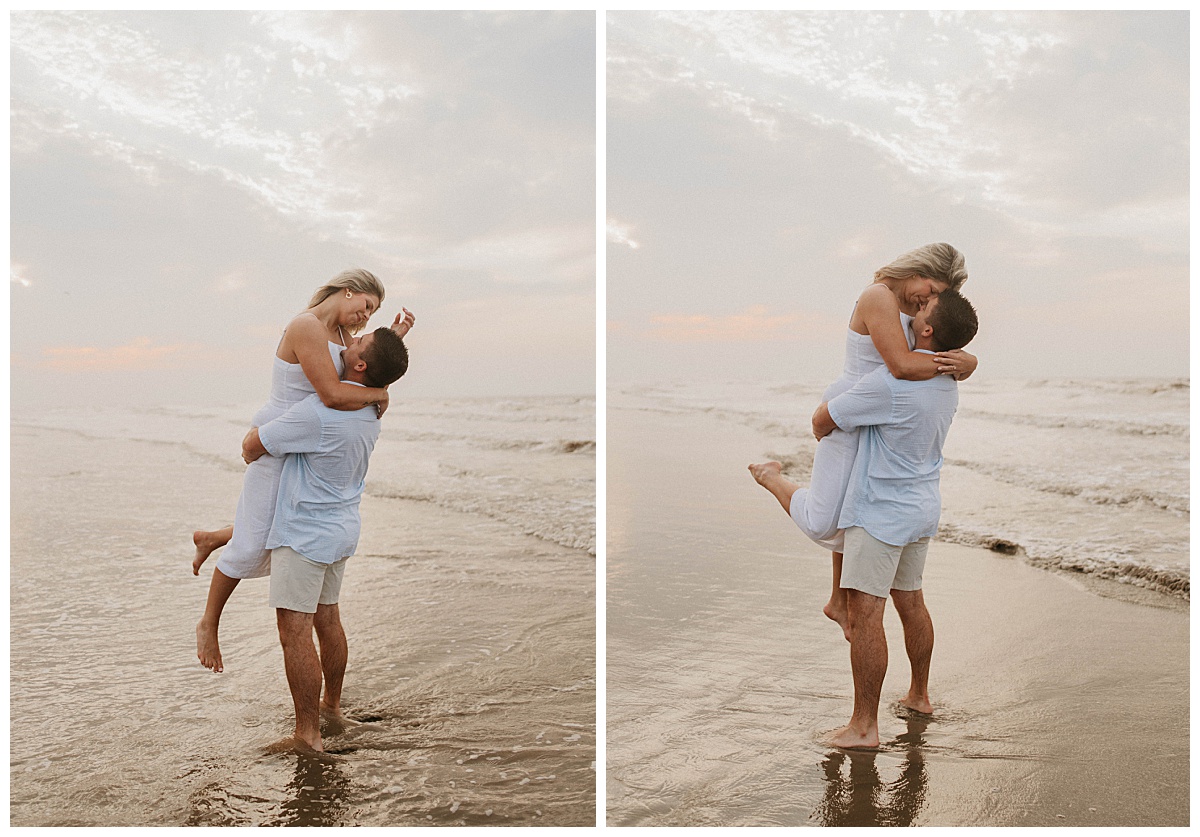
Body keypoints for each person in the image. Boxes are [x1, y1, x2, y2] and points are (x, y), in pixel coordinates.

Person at [749, 243, 976, 639]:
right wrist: (962, 364)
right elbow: (902, 366)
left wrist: (968, 361)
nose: (933, 300)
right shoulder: (878, 296)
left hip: (878, 415)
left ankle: (838, 601)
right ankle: (770, 476)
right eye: (934, 289)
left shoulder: (913, 311)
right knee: (823, 522)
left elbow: (928, 347)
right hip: (852, 411)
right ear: (919, 271)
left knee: (852, 514)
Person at [193, 268, 415, 672]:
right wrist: (380, 394)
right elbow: (331, 393)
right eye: (366, 306)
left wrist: (395, 338)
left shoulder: (349, 338)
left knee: (274, 523)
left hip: (305, 438)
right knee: (251, 542)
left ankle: (212, 536)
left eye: (373, 314)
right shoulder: (306, 326)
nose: (365, 319)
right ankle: (209, 622)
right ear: (349, 291)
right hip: (282, 437)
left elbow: (369, 358)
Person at [811, 289, 978, 749]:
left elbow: (822, 421)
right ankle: (919, 695)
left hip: (879, 514)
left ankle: (863, 726)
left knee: (867, 618)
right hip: (922, 509)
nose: (910, 311)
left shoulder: (889, 384)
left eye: (920, 310)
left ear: (926, 331)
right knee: (912, 603)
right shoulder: (948, 383)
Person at [240, 326, 409, 753]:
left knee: (293, 634)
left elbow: (250, 446)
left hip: (304, 536)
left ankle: (307, 735)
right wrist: (398, 336)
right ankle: (331, 707)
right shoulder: (372, 410)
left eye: (356, 342)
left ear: (360, 365)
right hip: (341, 530)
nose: (347, 342)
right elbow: (381, 369)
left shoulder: (317, 414)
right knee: (328, 620)